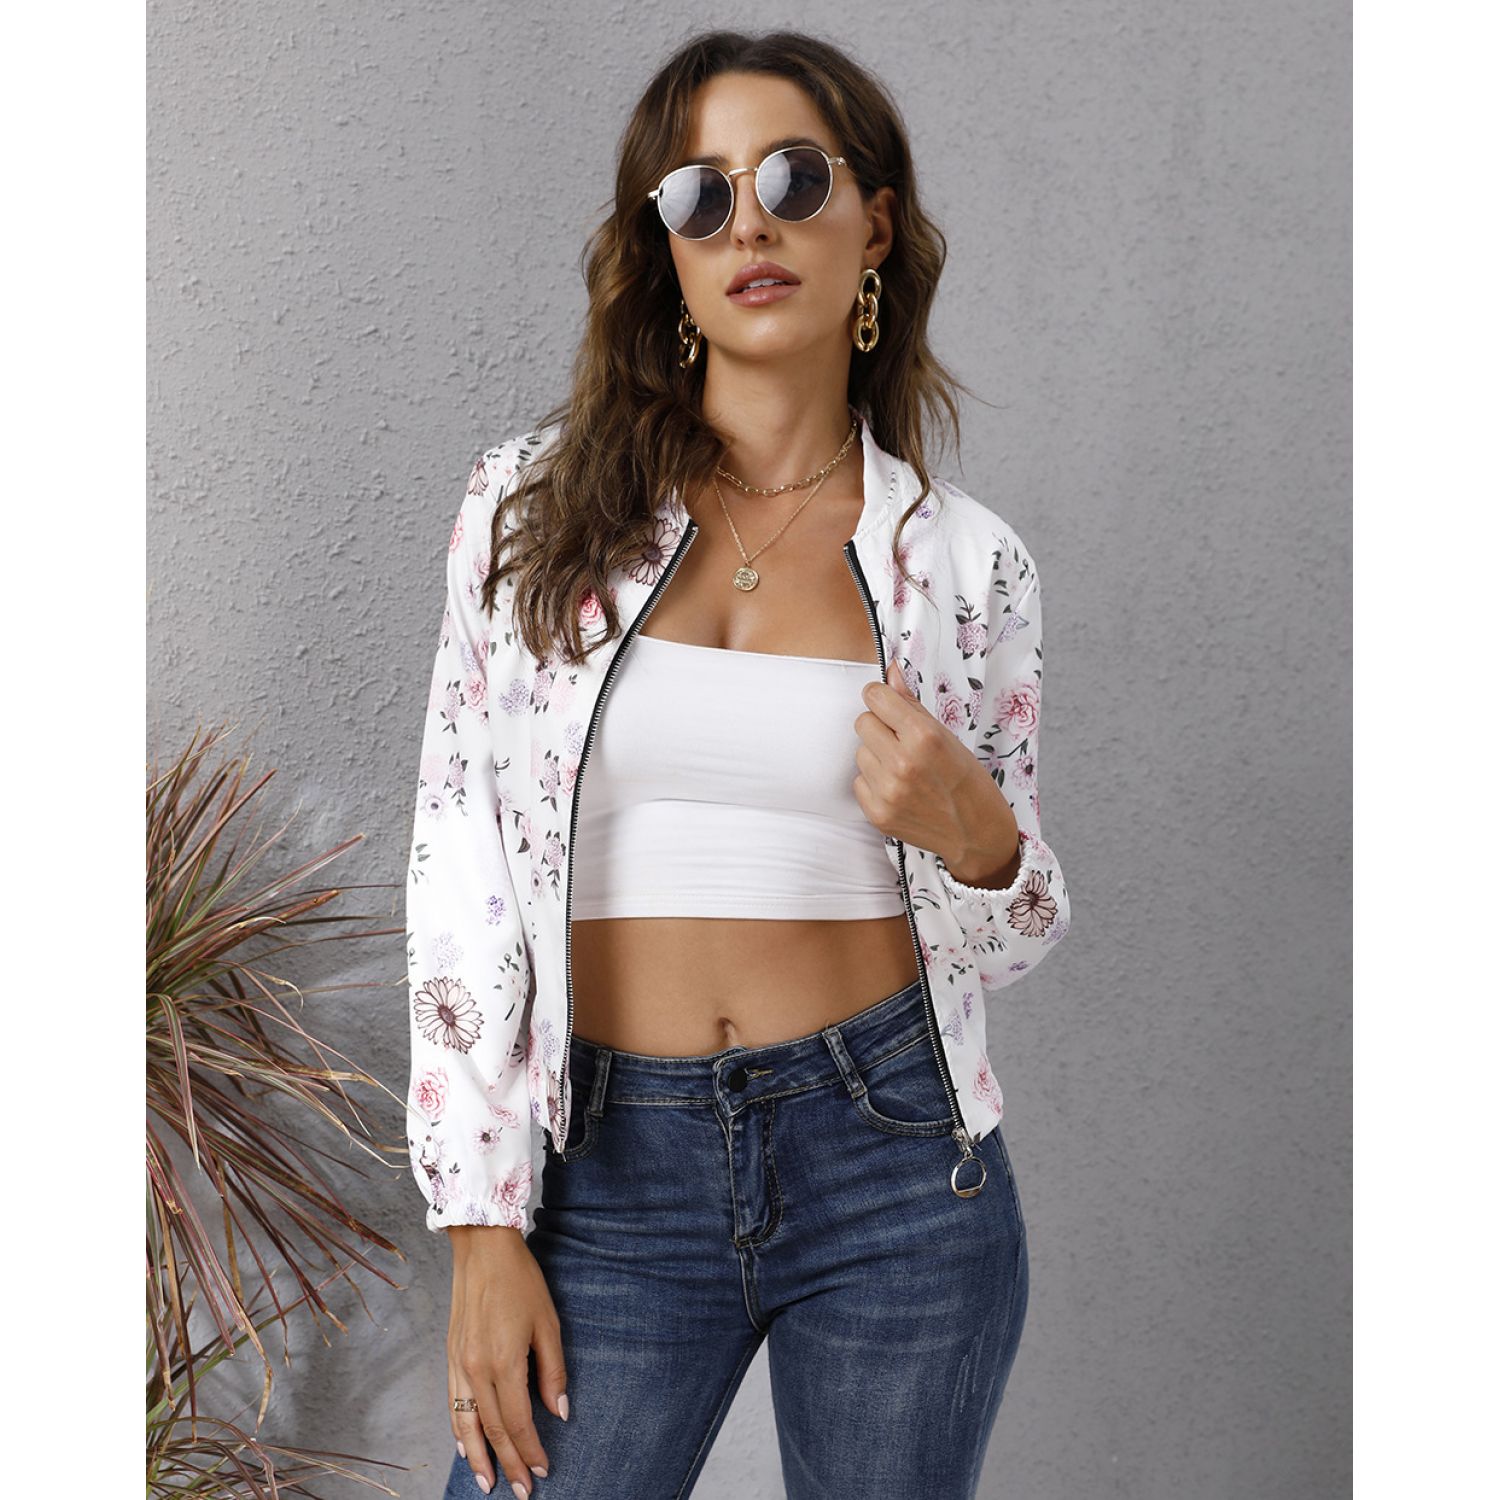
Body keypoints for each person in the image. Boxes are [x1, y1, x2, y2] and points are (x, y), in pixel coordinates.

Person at [406, 29, 1071, 1500]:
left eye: (791, 179)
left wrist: (980, 844)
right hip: (608, 1174)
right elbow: (462, 871)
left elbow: (1013, 936)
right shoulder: (528, 514)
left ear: (873, 224)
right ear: (667, 250)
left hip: (896, 1162)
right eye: (699, 195)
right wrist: (481, 1230)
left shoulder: (965, 570)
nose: (747, 223)